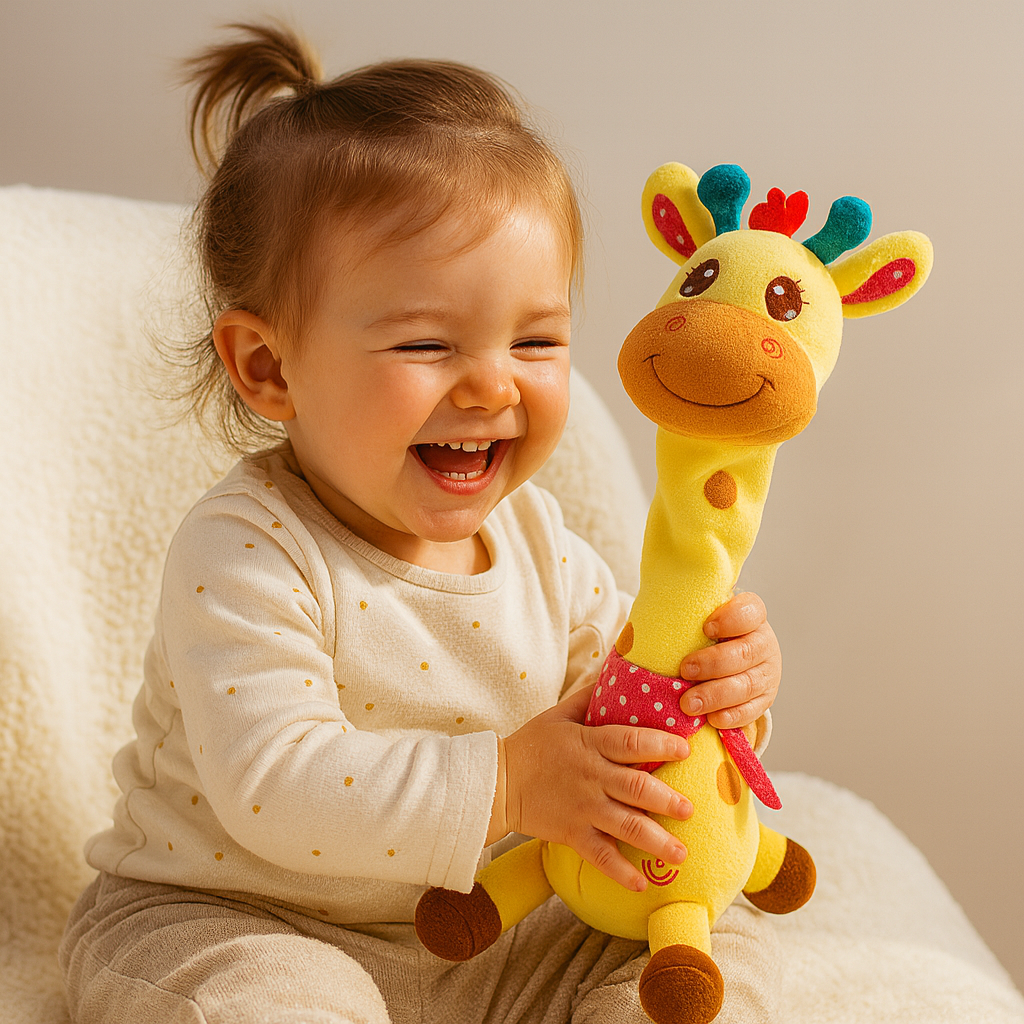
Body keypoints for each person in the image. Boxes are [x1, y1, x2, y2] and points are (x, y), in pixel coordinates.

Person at [59, 22, 784, 1024]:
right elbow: (274, 785)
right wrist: (512, 782)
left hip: (488, 925)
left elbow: (624, 722)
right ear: (268, 368)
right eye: (426, 344)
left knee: (720, 943)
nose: (492, 385)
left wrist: (722, 689)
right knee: (264, 1000)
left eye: (536, 340)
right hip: (241, 917)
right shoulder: (248, 549)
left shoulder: (541, 545)